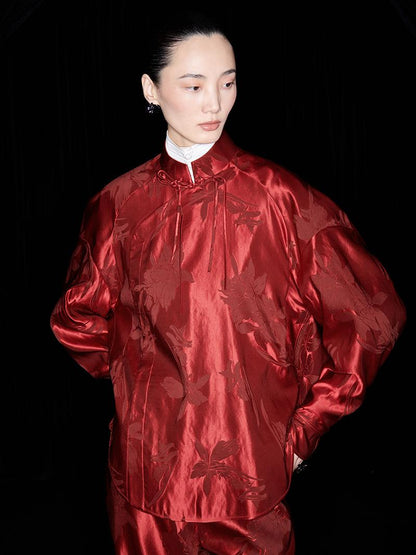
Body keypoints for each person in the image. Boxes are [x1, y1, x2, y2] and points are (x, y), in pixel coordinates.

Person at [50, 10, 406, 555]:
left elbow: (372, 317)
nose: (214, 104)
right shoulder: (118, 204)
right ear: (151, 89)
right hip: (143, 481)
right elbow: (76, 316)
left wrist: (304, 428)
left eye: (228, 83)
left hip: (248, 480)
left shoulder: (279, 199)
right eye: (194, 86)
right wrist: (138, 382)